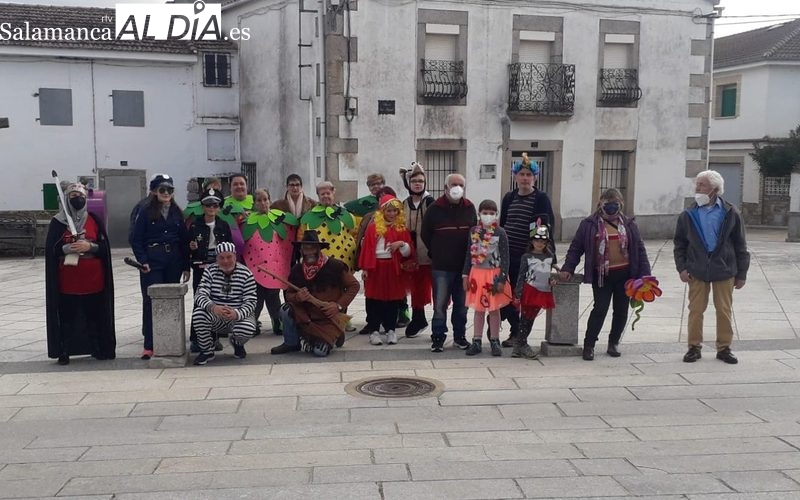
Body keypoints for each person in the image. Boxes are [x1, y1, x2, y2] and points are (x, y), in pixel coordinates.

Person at [560, 188, 651, 361]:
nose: (611, 208)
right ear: (600, 204)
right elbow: (576, 248)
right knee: (599, 309)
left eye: (615, 204)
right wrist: (567, 268)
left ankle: (614, 342)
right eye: (607, 204)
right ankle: (589, 345)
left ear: (621, 205)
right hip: (601, 275)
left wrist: (645, 275)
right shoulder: (589, 224)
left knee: (621, 310)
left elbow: (639, 249)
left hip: (625, 275)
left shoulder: (630, 224)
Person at [674, 170, 749, 365]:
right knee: (696, 310)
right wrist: (682, 268)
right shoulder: (688, 214)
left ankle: (724, 348)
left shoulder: (730, 212)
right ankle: (693, 347)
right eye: (697, 184)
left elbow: (740, 245)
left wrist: (742, 273)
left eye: (702, 185)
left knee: (724, 310)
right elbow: (680, 244)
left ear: (714, 190)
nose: (697, 188)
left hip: (724, 270)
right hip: (696, 269)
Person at [45, 182, 116, 365]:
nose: (78, 199)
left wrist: (89, 246)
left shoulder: (93, 219)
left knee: (94, 315)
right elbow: (52, 248)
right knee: (67, 316)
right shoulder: (58, 222)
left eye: (81, 196)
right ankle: (65, 349)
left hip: (93, 277)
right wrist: (67, 247)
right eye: (73, 196)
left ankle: (97, 347)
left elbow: (104, 247)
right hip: (68, 279)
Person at [271, 230, 360, 357]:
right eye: (305, 249)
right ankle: (291, 343)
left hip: (328, 318)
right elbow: (289, 295)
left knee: (319, 352)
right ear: (301, 250)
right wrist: (297, 297)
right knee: (285, 309)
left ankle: (335, 334)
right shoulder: (297, 269)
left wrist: (338, 306)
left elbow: (354, 285)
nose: (309, 252)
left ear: (319, 249)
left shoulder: (336, 266)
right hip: (306, 317)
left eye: (312, 248)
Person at [498, 153, 556, 348]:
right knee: (506, 295)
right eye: (521, 174)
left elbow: (546, 227)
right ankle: (512, 327)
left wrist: (547, 254)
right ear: (515, 176)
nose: (524, 178)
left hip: (528, 256)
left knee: (523, 296)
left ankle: (518, 334)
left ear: (535, 177)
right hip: (507, 255)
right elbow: (503, 223)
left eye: (528, 175)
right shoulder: (509, 197)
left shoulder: (540, 198)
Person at [130, 174, 190, 360]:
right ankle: (150, 344)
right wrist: (143, 260)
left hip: (173, 260)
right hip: (153, 261)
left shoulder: (177, 212)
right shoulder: (145, 211)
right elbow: (135, 238)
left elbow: (184, 240)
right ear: (155, 191)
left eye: (169, 190)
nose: (166, 193)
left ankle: (171, 338)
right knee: (151, 302)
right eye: (162, 190)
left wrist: (186, 266)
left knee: (172, 300)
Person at [421, 173, 477, 352]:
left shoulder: (469, 208)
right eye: (453, 184)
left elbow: (475, 233)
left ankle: (459, 337)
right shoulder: (434, 208)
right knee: (440, 305)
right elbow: (425, 234)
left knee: (462, 306)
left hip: (464, 268)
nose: (457, 187)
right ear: (446, 187)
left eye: (460, 184)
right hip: (442, 267)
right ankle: (438, 337)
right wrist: (436, 251)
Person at [358, 194, 414, 346]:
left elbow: (409, 252)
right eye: (388, 211)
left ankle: (391, 330)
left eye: (394, 211)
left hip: (393, 268)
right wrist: (365, 268)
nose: (391, 214)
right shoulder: (372, 228)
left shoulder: (401, 229)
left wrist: (401, 244)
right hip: (375, 267)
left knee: (392, 301)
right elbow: (367, 250)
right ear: (382, 212)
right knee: (373, 301)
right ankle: (374, 331)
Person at [242, 188, 298, 336]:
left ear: (270, 201)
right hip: (255, 266)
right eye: (259, 200)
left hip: (274, 266)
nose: (263, 203)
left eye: (265, 199)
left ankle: (277, 321)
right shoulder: (248, 221)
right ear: (254, 203)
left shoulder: (280, 219)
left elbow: (287, 238)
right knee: (256, 296)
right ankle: (253, 321)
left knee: (273, 295)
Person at [192, 242, 258, 365]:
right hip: (216, 314)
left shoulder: (246, 274)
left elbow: (251, 301)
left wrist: (236, 313)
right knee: (198, 315)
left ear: (235, 256)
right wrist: (213, 307)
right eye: (221, 258)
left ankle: (237, 343)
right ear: (216, 258)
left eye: (229, 257)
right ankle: (207, 350)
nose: (226, 261)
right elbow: (199, 295)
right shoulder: (209, 271)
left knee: (247, 327)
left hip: (237, 316)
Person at [462, 200, 512, 357]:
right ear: (479, 214)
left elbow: (505, 258)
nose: (488, 216)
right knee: (478, 310)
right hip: (477, 274)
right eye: (485, 212)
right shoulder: (473, 231)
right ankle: (476, 340)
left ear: (496, 215)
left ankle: (495, 340)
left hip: (493, 274)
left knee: (494, 310)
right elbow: (467, 256)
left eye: (491, 213)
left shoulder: (500, 233)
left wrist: (502, 279)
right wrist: (465, 275)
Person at [187, 187, 232, 352]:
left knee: (217, 301)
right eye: (208, 205)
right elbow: (187, 247)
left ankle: (214, 336)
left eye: (214, 205)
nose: (211, 208)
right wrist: (191, 247)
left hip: (219, 267)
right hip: (201, 266)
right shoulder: (195, 225)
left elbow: (230, 248)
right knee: (200, 300)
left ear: (219, 207)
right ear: (203, 206)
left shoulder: (223, 225)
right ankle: (196, 338)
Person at [399, 163, 435, 337]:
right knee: (415, 287)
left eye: (421, 181)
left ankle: (436, 321)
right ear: (408, 184)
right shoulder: (404, 204)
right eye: (414, 181)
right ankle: (418, 317)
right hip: (410, 252)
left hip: (428, 253)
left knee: (431, 288)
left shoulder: (430, 202)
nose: (418, 184)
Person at [513, 223, 557, 359]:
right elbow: (521, 275)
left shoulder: (550, 257)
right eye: (537, 240)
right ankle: (522, 344)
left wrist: (553, 281)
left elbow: (549, 274)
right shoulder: (526, 257)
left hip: (543, 291)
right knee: (525, 318)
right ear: (532, 241)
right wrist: (518, 292)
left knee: (531, 318)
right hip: (529, 290)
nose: (540, 243)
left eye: (543, 241)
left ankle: (519, 345)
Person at [299, 181, 358, 270]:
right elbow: (301, 238)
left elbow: (355, 234)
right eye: (322, 194)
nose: (325, 196)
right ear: (318, 196)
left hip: (342, 262)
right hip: (317, 262)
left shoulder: (346, 215)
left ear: (333, 193)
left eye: (328, 193)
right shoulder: (308, 217)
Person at [272, 174, 316, 266]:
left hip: (305, 241)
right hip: (285, 242)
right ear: (287, 187)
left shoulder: (311, 204)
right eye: (292, 185)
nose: (295, 188)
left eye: (297, 185)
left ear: (301, 186)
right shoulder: (278, 205)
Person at [128, 173, 166, 247]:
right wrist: (143, 257)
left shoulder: (173, 209)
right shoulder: (143, 207)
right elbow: (134, 235)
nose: (166, 192)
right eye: (162, 189)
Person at [223, 174, 253, 260]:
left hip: (255, 250)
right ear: (230, 187)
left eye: (242, 184)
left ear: (246, 186)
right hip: (233, 252)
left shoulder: (257, 201)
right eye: (235, 184)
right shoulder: (223, 206)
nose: (239, 186)